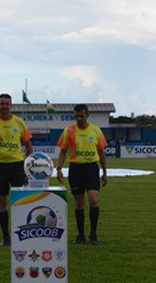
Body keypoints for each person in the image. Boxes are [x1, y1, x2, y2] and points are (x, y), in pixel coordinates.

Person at [0, 93, 33, 246]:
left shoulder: (19, 122)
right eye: (2, 104)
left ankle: (22, 234)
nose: (4, 106)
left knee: (21, 201)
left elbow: (28, 145)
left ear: (11, 106)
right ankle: (6, 236)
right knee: (2, 201)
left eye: (7, 104)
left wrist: (30, 166)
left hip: (17, 165)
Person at [56, 104, 108, 245]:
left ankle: (93, 235)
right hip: (76, 170)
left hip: (91, 169)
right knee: (79, 204)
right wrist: (59, 168)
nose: (79, 119)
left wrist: (104, 171)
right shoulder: (69, 131)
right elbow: (62, 151)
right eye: (76, 116)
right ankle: (80, 236)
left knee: (93, 200)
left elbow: (101, 152)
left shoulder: (96, 131)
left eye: (82, 116)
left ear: (87, 115)